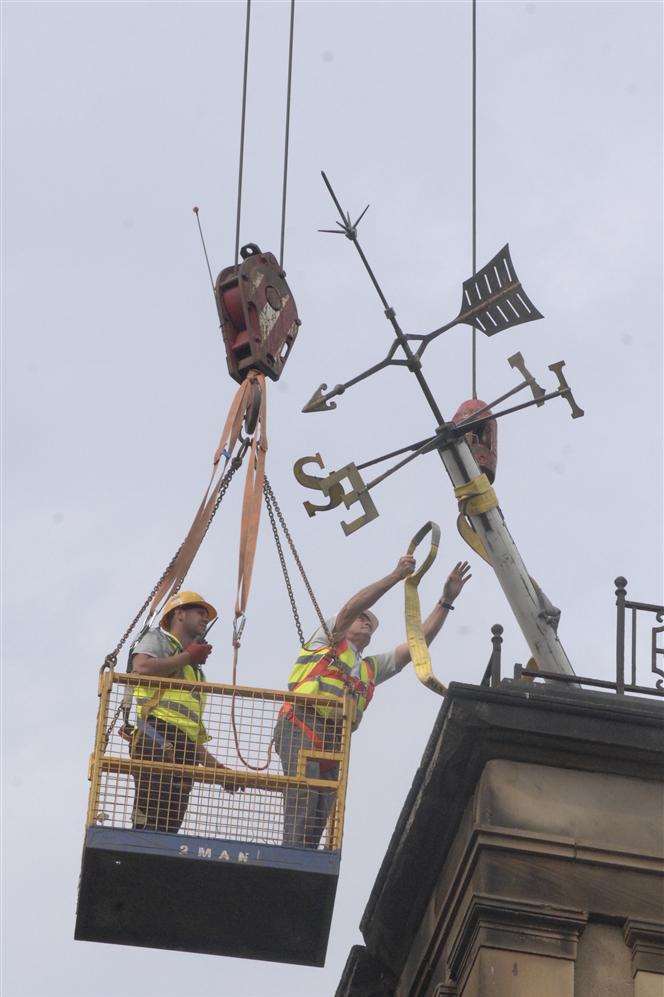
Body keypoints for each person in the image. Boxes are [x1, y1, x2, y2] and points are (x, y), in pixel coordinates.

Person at [273, 556, 472, 849]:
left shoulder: (369, 668)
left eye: (370, 622)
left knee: (320, 810)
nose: (366, 622)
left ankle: (303, 857)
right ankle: (291, 856)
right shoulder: (328, 640)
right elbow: (349, 609)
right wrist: (395, 576)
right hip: (301, 722)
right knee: (303, 798)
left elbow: (418, 643)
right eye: (362, 619)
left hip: (333, 739)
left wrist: (445, 601)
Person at [128, 590, 228, 833]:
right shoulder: (159, 640)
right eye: (199, 612)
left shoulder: (195, 672)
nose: (205, 618)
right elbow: (140, 667)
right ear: (179, 614)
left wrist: (220, 772)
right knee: (149, 821)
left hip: (182, 748)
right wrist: (186, 657)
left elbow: (189, 733)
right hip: (156, 735)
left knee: (168, 829)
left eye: (207, 615)